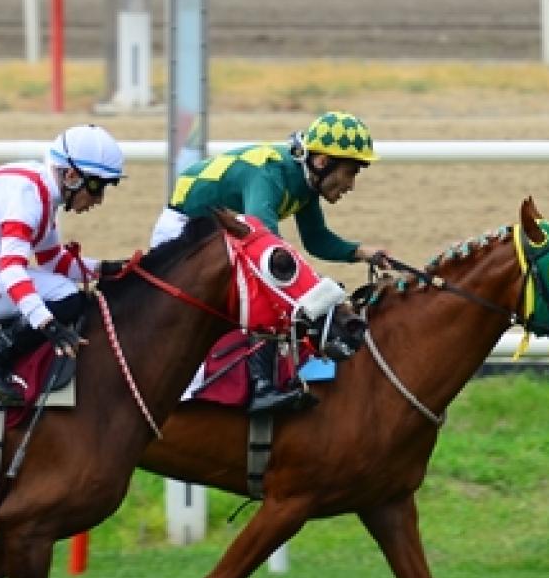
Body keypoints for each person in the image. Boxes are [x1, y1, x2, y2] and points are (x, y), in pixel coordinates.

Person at [150, 110, 388, 414]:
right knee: (270, 286)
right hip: (184, 231)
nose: (351, 185)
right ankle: (256, 388)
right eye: (351, 172)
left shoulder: (305, 182)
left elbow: (316, 239)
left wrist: (362, 252)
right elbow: (266, 250)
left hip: (221, 233)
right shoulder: (270, 173)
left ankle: (266, 380)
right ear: (322, 162)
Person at [0, 124, 126, 406]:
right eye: (96, 186)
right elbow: (11, 271)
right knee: (66, 297)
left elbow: (54, 261)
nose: (99, 199)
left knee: (64, 292)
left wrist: (111, 269)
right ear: (72, 176)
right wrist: (48, 325)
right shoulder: (28, 198)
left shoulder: (42, 190)